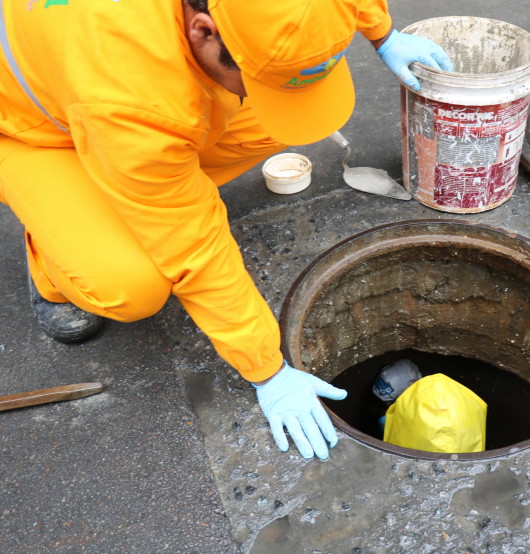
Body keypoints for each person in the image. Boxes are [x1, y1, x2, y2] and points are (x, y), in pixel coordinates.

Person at [0, 0, 453, 460]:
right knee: (131, 287)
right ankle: (58, 254)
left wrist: (383, 32)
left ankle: (146, 184)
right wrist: (267, 370)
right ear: (203, 31)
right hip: (34, 130)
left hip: (117, 112)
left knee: (277, 120)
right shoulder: (126, 90)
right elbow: (192, 245)